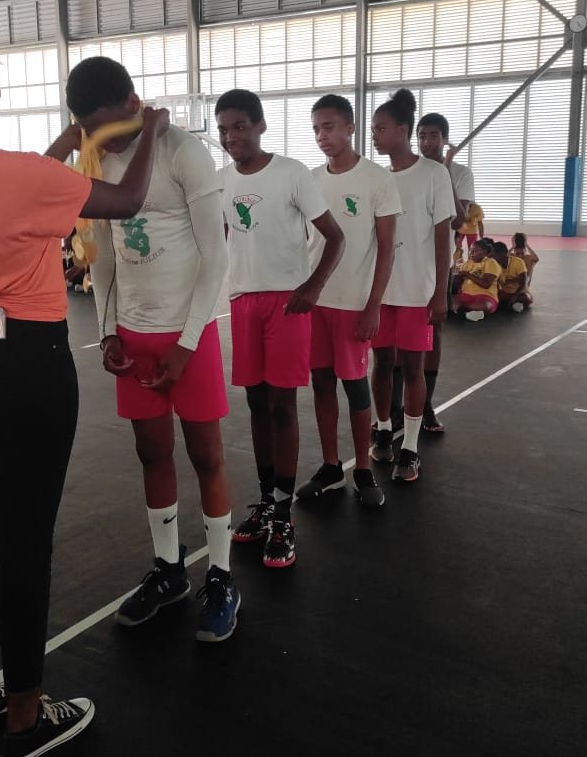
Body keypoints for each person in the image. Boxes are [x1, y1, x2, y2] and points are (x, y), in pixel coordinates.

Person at [0, 13, 165, 756]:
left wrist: (71, 141)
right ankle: (25, 715)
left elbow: (23, 181)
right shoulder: (21, 176)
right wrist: (152, 131)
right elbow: (126, 201)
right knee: (25, 543)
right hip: (25, 365)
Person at [65, 57, 240, 644]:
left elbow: (216, 256)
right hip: (134, 334)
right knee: (151, 453)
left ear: (132, 102)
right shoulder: (99, 161)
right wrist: (108, 331)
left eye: (110, 125)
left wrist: (187, 345)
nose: (105, 139)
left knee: (207, 457)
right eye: (92, 130)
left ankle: (221, 576)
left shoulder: (182, 152)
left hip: (189, 335)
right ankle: (169, 569)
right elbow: (105, 255)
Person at [217, 88, 344, 568]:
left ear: (260, 126)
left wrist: (313, 286)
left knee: (282, 406)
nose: (231, 136)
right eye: (224, 129)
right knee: (255, 403)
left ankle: (284, 515)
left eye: (239, 126)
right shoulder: (221, 182)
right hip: (243, 301)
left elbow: (335, 236)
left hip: (287, 302)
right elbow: (222, 239)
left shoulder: (291, 173)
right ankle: (267, 501)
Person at [296, 94, 399, 508]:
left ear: (351, 128)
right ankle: (330, 467)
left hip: (354, 304)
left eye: (329, 127)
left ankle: (362, 469)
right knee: (321, 382)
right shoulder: (310, 180)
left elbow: (387, 248)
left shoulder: (377, 179)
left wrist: (374, 304)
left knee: (356, 388)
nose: (322, 136)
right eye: (316, 129)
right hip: (316, 302)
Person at [369, 89, 454, 483]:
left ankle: (411, 447)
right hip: (380, 292)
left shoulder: (434, 175)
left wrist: (439, 292)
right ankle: (384, 429)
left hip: (418, 291)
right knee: (382, 363)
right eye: (373, 129)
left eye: (381, 128)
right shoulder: (376, 178)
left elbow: (442, 239)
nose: (374, 135)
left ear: (402, 130)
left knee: (413, 367)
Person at [414, 113, 467, 434]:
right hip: (405, 264)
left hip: (437, 264)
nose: (427, 142)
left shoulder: (459, 173)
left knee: (432, 335)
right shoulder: (409, 169)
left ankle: (426, 405)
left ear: (444, 139)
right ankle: (396, 408)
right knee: (400, 340)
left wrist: (444, 172)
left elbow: (459, 220)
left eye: (433, 135)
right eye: (422, 136)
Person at [452, 238, 501, 322]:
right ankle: (469, 313)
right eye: (470, 251)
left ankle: (462, 311)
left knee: (484, 305)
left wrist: (467, 274)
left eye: (475, 251)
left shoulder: (491, 262)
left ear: (484, 252)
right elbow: (457, 285)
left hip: (485, 296)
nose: (471, 253)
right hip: (466, 295)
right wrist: (457, 277)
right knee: (451, 301)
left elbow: (486, 284)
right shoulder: (466, 264)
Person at [492, 241, 531, 312]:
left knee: (525, 298)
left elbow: (523, 283)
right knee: (493, 298)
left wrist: (515, 296)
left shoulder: (518, 262)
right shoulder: (495, 264)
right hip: (505, 291)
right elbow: (495, 284)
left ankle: (512, 304)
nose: (493, 258)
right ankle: (513, 305)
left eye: (494, 255)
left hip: (520, 292)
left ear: (503, 253)